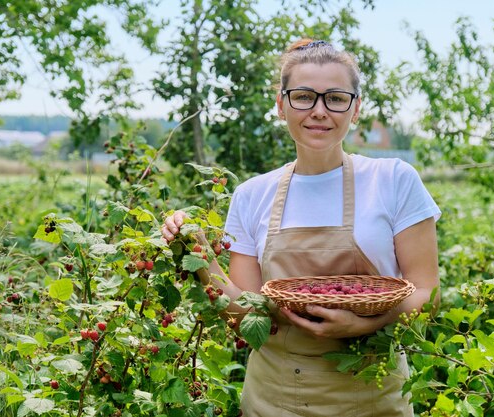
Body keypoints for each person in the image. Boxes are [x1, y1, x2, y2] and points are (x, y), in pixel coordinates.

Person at [162, 38, 441, 417]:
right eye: (304, 96)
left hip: (372, 399)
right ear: (281, 105)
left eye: (336, 98)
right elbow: (243, 312)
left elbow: (427, 294)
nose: (320, 111)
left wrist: (361, 325)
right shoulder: (251, 194)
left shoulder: (393, 180)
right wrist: (197, 253)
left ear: (355, 108)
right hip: (273, 401)